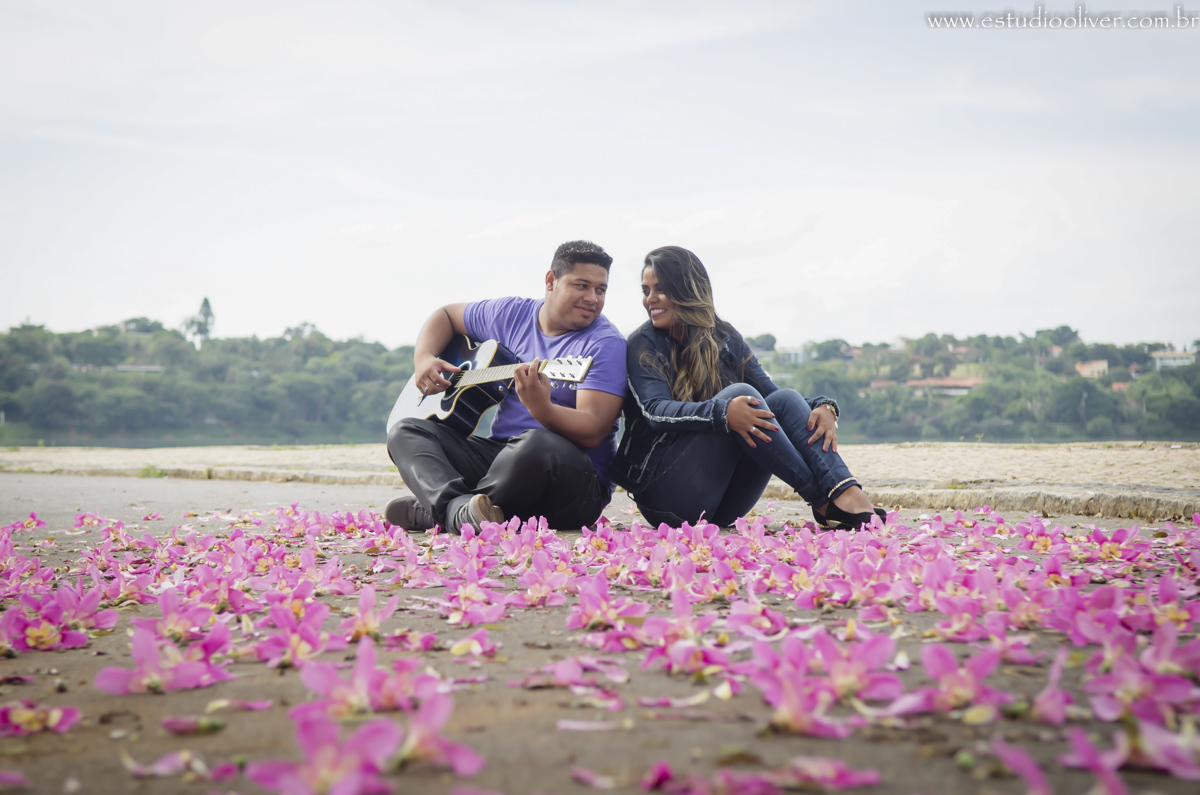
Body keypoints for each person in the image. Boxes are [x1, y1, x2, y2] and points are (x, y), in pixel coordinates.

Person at [608, 246, 883, 530]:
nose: (650, 300)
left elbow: (774, 399)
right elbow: (654, 413)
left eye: (660, 290)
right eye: (646, 291)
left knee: (785, 399)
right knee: (742, 396)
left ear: (686, 289)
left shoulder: (725, 336)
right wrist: (723, 412)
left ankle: (844, 489)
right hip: (668, 500)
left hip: (725, 504)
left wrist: (823, 406)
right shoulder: (643, 342)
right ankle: (824, 500)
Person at [386, 240, 627, 534]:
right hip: (502, 460)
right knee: (406, 431)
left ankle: (442, 512)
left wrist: (543, 410)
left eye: (600, 290)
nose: (592, 298)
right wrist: (424, 358)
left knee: (539, 444)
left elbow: (594, 430)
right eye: (581, 286)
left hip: (573, 485)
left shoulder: (605, 344)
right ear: (551, 280)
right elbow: (446, 316)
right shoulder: (512, 314)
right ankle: (459, 510)